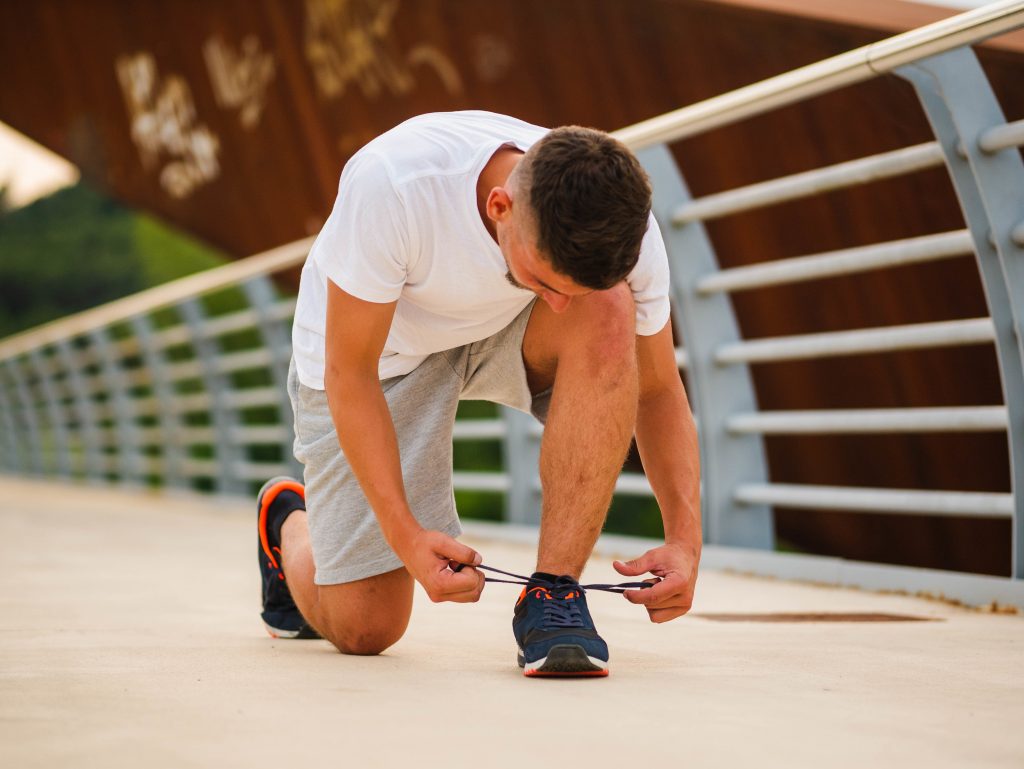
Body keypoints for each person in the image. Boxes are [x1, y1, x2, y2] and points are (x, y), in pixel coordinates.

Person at [256, 110, 701, 677]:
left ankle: (553, 596)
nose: (561, 304)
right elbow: (352, 373)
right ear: (499, 207)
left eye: (570, 289)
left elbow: (659, 389)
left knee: (608, 306)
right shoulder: (393, 185)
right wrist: (407, 536)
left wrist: (686, 540)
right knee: (365, 629)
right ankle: (287, 522)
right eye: (546, 281)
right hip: (381, 357)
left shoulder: (619, 225)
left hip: (504, 327)